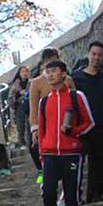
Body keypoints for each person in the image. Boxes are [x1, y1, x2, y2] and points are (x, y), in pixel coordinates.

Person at [38, 60, 95, 206]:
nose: (50, 74)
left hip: (71, 153)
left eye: (54, 71)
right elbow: (42, 129)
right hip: (49, 155)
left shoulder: (76, 96)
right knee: (47, 191)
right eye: (48, 71)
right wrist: (42, 154)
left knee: (71, 196)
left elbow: (89, 122)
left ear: (64, 74)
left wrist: (75, 132)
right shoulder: (44, 101)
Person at [71, 41, 103, 203]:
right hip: (81, 127)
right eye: (94, 54)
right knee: (77, 162)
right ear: (88, 54)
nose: (96, 58)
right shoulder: (76, 79)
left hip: (100, 125)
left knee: (98, 161)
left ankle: (96, 194)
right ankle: (74, 196)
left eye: (99, 55)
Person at [29, 48, 76, 184]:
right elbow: (34, 108)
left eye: (54, 60)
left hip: (65, 123)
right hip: (47, 125)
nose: (51, 64)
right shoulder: (36, 83)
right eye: (48, 61)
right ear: (44, 62)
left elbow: (75, 103)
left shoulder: (68, 80)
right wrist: (35, 128)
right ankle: (45, 177)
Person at [9, 65, 31, 148]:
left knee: (29, 124)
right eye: (23, 72)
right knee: (20, 125)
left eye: (26, 71)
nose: (25, 73)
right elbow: (10, 96)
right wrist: (18, 94)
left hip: (29, 106)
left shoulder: (31, 82)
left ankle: (29, 142)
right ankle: (22, 141)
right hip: (19, 106)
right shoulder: (16, 83)